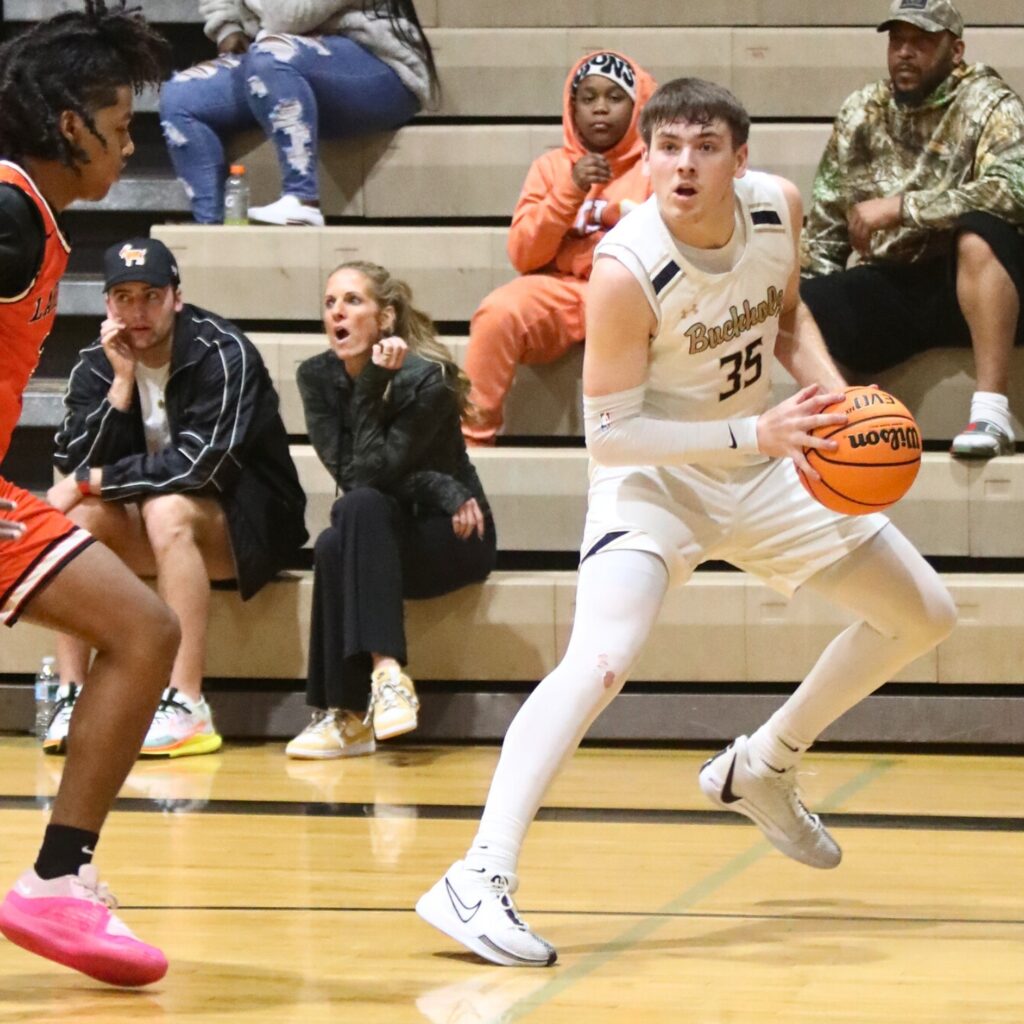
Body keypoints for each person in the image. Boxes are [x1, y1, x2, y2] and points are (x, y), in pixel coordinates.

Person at [416, 77, 958, 968]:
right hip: (655, 484)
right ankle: (479, 877)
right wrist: (759, 427)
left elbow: (788, 324)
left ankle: (765, 764)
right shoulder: (626, 271)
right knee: (598, 663)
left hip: (763, 466)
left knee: (924, 613)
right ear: (649, 159)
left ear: (739, 160)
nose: (683, 164)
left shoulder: (776, 211)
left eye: (705, 146)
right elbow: (612, 435)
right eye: (667, 147)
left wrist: (833, 398)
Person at [0, 2, 179, 986]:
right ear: (70, 123)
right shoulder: (9, 205)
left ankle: (59, 878)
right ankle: (56, 879)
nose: (127, 147)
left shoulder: (23, 208)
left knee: (143, 629)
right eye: (119, 128)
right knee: (146, 630)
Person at [44, 236, 309, 758]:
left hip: (248, 524)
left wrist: (93, 480)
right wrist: (120, 390)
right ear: (107, 305)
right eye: (123, 298)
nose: (137, 312)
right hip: (158, 525)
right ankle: (71, 694)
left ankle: (187, 704)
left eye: (151, 296)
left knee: (163, 509)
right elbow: (78, 460)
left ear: (176, 298)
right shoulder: (97, 366)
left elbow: (201, 466)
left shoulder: (223, 352)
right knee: (79, 518)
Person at [285, 261, 496, 758]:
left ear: (385, 318)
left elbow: (375, 472)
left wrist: (377, 382)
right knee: (339, 536)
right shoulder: (316, 377)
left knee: (354, 517)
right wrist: (440, 484)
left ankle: (354, 706)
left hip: (454, 534)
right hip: (390, 525)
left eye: (353, 300)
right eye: (330, 302)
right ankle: (377, 684)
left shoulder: (428, 379)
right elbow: (354, 475)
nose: (338, 311)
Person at [800, 0, 1024, 458]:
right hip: (898, 285)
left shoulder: (988, 102)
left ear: (955, 51)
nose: (905, 52)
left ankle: (990, 411)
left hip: (978, 282)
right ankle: (847, 421)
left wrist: (904, 208)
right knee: (805, 296)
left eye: (922, 42)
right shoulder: (861, 111)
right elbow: (826, 221)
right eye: (897, 41)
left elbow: (1014, 189)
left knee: (980, 232)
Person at [462, 51, 656, 446]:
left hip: (634, 293)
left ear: (638, 106)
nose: (600, 109)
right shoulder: (551, 167)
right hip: (564, 290)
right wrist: (569, 190)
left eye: (615, 98)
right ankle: (471, 444)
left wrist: (612, 214)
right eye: (588, 98)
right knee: (497, 313)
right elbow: (523, 255)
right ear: (572, 107)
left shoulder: (657, 163)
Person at [159, 0, 438, 225]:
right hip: (284, 59)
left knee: (270, 55)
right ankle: (212, 223)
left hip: (380, 66)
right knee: (181, 95)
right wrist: (227, 26)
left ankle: (302, 199)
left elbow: (290, 15)